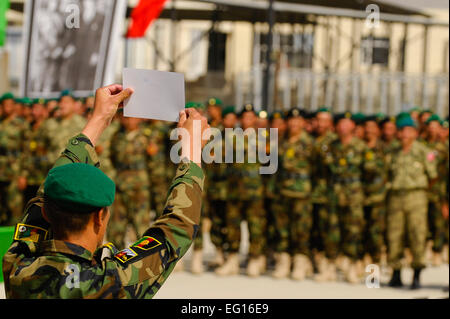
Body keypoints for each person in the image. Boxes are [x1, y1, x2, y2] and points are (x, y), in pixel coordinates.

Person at [2, 84, 210, 299]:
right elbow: (177, 225)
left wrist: (98, 119)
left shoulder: (18, 263)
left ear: (45, 213)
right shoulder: (113, 280)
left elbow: (51, 189)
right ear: (100, 218)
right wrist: (192, 147)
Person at [386, 113, 437, 290]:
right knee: (394, 235)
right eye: (402, 131)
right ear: (398, 133)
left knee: (417, 234)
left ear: (415, 133)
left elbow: (433, 176)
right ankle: (396, 273)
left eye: (409, 131)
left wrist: (420, 189)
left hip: (416, 197)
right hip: (395, 197)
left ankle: (416, 274)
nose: (405, 134)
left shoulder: (423, 151)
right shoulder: (392, 152)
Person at [216, 104, 266, 277]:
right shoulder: (231, 138)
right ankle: (233, 258)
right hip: (234, 189)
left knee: (255, 225)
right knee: (233, 225)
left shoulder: (264, 137)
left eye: (251, 117)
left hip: (254, 190)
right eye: (245, 117)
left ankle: (254, 258)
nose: (248, 120)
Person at [325, 112, 373, 283]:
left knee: (354, 230)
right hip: (335, 193)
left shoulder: (361, 147)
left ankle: (353, 265)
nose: (343, 127)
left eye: (347, 124)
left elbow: (370, 173)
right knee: (333, 230)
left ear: (353, 127)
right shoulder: (332, 146)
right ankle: (331, 264)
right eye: (341, 124)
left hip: (354, 194)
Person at [271, 108, 314, 280]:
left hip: (302, 192)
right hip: (283, 190)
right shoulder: (281, 142)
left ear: (303, 123)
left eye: (298, 120)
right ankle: (284, 261)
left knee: (301, 229)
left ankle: (300, 262)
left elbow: (319, 169)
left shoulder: (310, 143)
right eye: (291, 120)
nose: (294, 124)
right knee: (282, 228)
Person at [310, 107, 339, 282]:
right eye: (318, 120)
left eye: (324, 120)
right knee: (313, 229)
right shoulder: (311, 140)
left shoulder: (334, 142)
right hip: (311, 191)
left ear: (330, 123)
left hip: (329, 193)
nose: (321, 124)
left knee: (330, 230)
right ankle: (317, 260)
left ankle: (330, 263)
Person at [420, 114, 448, 266]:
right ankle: (423, 249)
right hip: (423, 189)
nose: (433, 129)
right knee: (422, 222)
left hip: (439, 190)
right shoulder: (421, 145)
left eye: (436, 126)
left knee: (438, 222)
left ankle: (437, 250)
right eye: (430, 126)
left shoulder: (444, 146)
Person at [361, 115, 388, 266]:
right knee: (360, 232)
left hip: (379, 198)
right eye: (367, 127)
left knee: (376, 234)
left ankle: (373, 270)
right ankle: (360, 262)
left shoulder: (385, 149)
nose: (369, 131)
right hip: (359, 196)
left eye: (373, 128)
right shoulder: (359, 147)